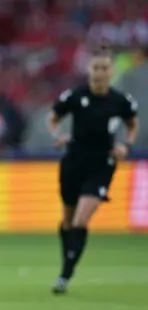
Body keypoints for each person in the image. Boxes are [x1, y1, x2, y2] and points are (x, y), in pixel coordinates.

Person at [48, 45, 139, 294]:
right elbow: (53, 117)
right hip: (74, 162)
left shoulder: (120, 101)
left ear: (111, 71)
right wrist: (58, 135)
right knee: (67, 219)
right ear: (89, 69)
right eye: (96, 67)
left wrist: (126, 145)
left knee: (81, 219)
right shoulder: (76, 96)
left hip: (102, 165)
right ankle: (67, 260)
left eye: (104, 68)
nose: (99, 72)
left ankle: (65, 275)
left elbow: (132, 123)